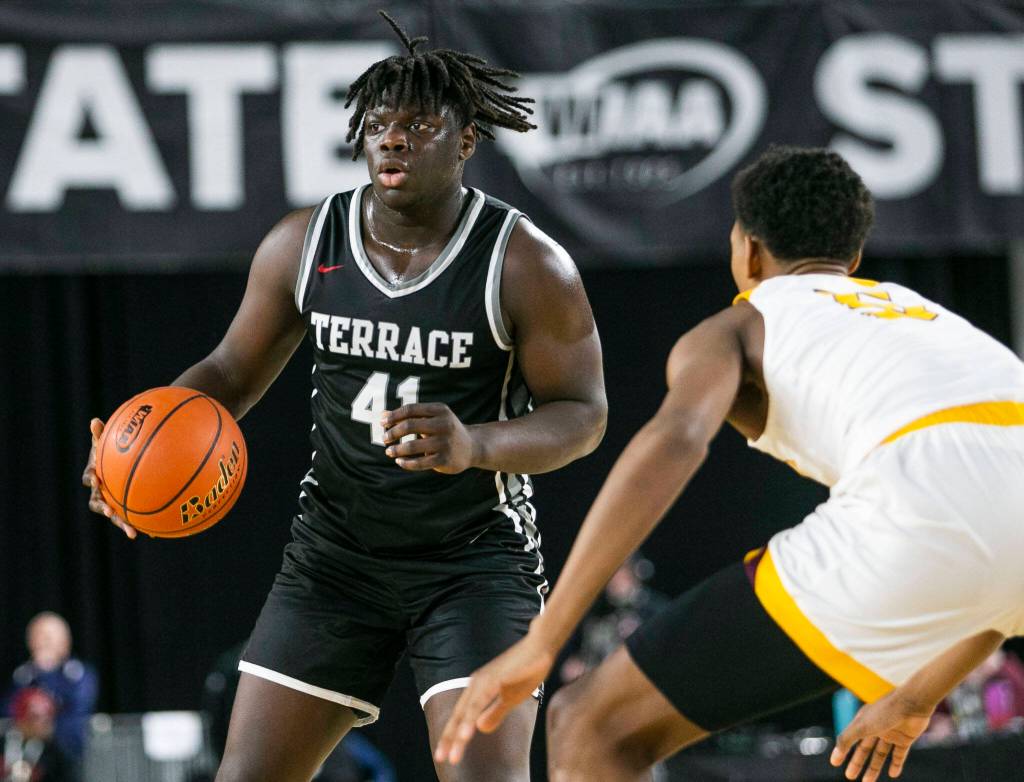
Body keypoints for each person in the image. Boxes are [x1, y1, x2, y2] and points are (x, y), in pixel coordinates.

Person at [82, 11, 606, 782]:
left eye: (419, 124)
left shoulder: (526, 262)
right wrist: (135, 442)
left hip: (473, 563)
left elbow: (585, 415)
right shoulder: (306, 240)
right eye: (379, 123)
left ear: (466, 141)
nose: (392, 138)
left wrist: (476, 443)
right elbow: (228, 371)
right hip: (336, 557)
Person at [435, 145, 1024, 781]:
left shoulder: (738, 328)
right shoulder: (932, 321)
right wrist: (914, 698)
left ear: (744, 250)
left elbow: (676, 440)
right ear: (852, 261)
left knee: (589, 722)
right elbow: (995, 529)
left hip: (917, 509)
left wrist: (545, 641)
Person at [6, 613, 97, 766]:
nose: (42, 642)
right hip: (31, 756)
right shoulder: (24, 674)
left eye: (47, 637)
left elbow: (79, 707)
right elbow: (9, 708)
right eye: (37, 636)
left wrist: (47, 673)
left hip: (67, 752)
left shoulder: (77, 673)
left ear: (65, 641)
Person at [2, 688, 75, 782]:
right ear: (20, 719)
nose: (46, 723)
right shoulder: (4, 743)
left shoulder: (57, 753)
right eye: (36, 718)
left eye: (49, 717)